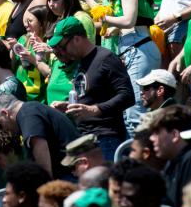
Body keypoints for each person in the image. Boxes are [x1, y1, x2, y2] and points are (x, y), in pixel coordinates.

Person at [48, 17, 135, 157]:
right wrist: (68, 106)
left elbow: (128, 96)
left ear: (76, 39)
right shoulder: (80, 63)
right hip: (84, 137)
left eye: (63, 47)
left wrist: (95, 109)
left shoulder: (106, 58)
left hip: (106, 138)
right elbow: (89, 98)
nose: (61, 52)